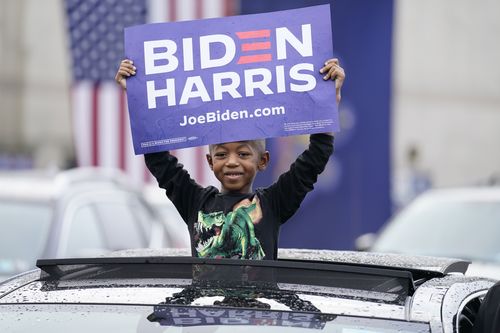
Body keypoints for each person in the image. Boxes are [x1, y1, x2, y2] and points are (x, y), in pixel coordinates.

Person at [115, 58, 345, 260]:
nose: (232, 161)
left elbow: (312, 161)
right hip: (205, 309)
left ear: (263, 161)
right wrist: (137, 98)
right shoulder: (195, 201)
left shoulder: (274, 203)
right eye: (222, 154)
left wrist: (327, 102)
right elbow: (160, 162)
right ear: (210, 161)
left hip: (260, 311)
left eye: (243, 154)